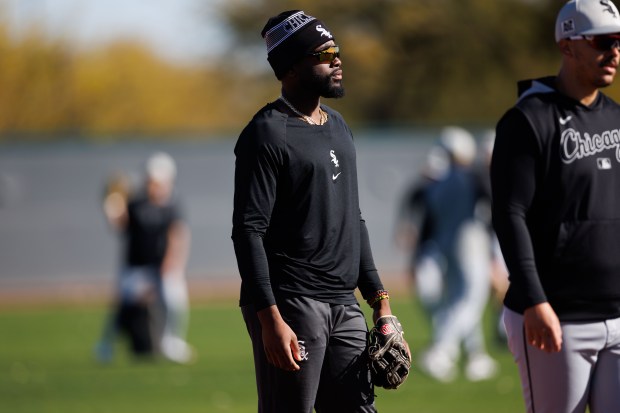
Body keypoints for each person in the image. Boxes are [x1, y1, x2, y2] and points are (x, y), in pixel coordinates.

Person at [231, 10, 408, 412]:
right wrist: (269, 318)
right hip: (292, 302)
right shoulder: (266, 132)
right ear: (291, 65)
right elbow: (248, 230)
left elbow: (352, 219)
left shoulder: (339, 126)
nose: (337, 59)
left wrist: (380, 301)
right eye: (324, 52)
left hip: (344, 303)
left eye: (337, 50)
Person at [490, 0, 620, 411]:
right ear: (567, 45)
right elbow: (510, 214)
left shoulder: (616, 118)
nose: (614, 52)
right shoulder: (529, 119)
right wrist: (533, 299)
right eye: (602, 41)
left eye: (619, 42)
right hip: (555, 315)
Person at [395, 127, 498, 382]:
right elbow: (492, 207)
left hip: (447, 246)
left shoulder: (438, 183)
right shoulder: (472, 176)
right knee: (470, 301)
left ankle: (474, 355)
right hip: (471, 245)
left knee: (457, 300)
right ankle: (442, 349)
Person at [96, 152, 194, 364]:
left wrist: (173, 261)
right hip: (137, 266)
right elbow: (120, 225)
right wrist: (111, 207)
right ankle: (106, 345)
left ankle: (172, 342)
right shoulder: (136, 202)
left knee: (175, 299)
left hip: (162, 266)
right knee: (123, 307)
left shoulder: (172, 204)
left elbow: (178, 234)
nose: (154, 186)